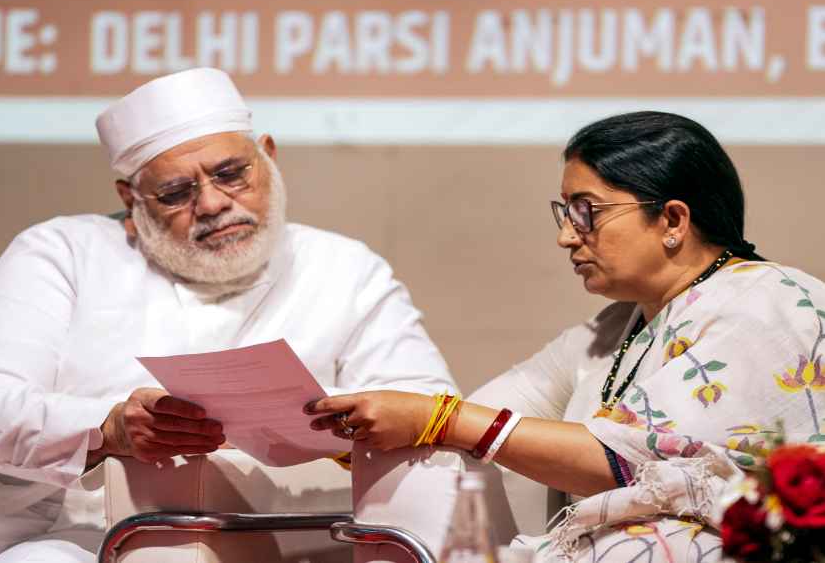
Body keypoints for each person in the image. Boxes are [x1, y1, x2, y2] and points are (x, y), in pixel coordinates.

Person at [0, 68, 455, 563]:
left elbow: (427, 409)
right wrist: (107, 429)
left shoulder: (347, 269)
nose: (210, 204)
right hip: (68, 534)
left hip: (286, 539)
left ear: (268, 156)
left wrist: (346, 427)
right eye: (176, 193)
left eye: (231, 174)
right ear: (131, 199)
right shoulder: (61, 254)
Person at [308, 111, 825, 561]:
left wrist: (440, 420)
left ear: (672, 218)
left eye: (587, 212)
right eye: (566, 213)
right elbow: (481, 415)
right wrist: (361, 432)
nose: (565, 235)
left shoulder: (768, 301)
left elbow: (636, 461)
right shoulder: (617, 328)